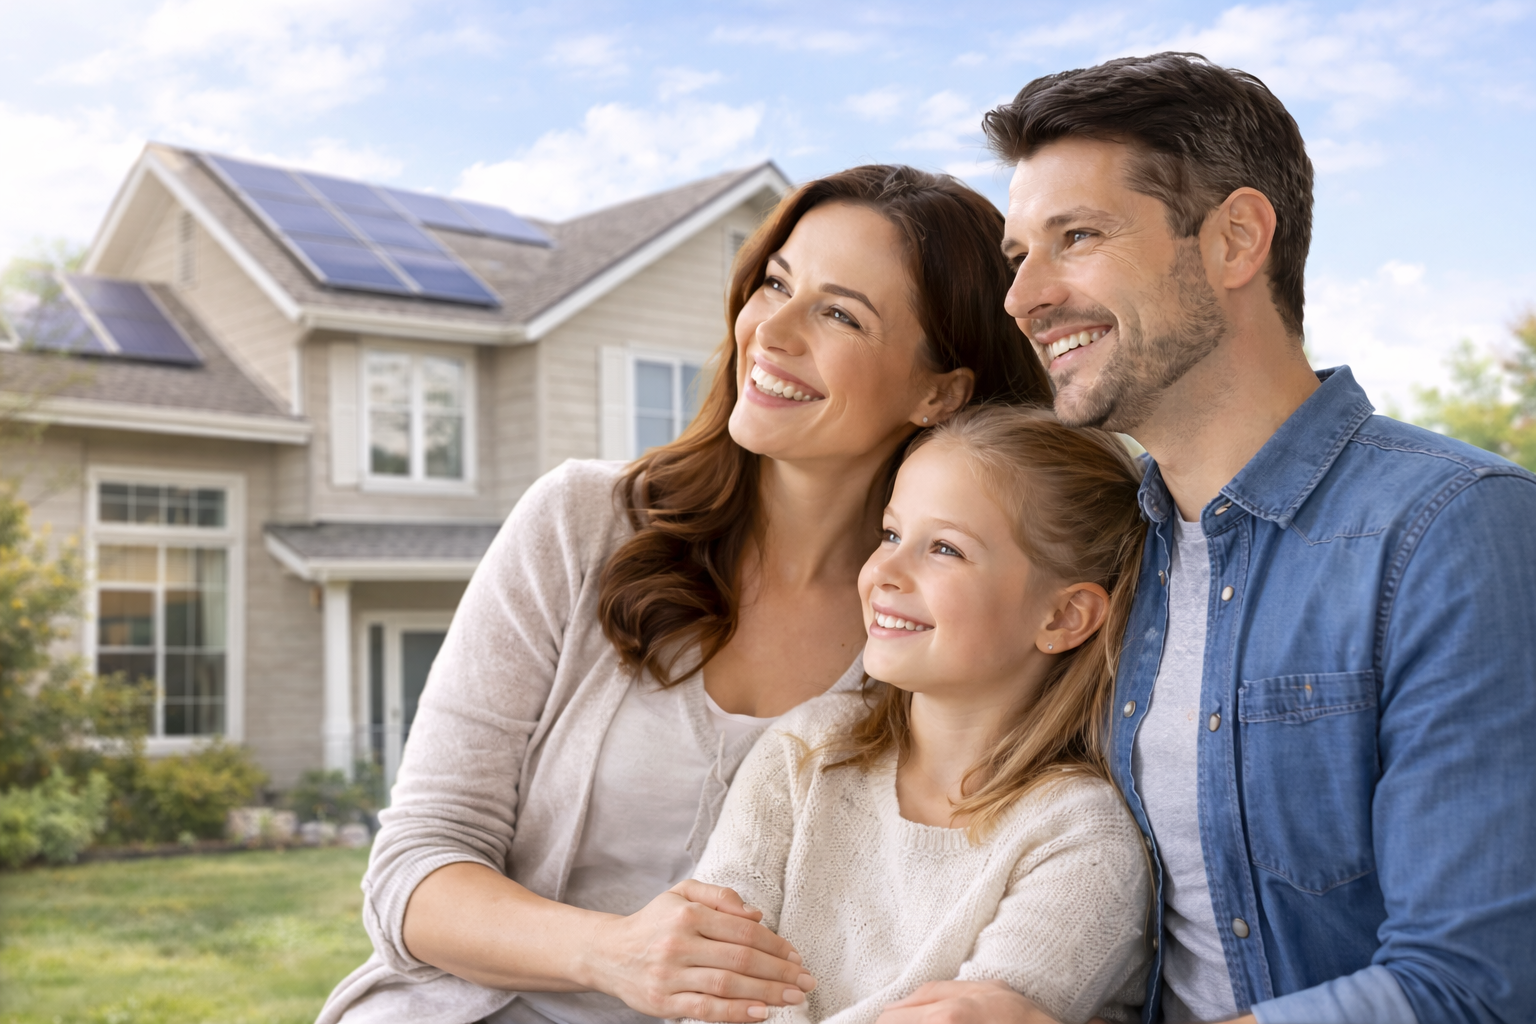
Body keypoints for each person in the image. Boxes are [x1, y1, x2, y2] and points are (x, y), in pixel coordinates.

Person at [881, 51, 1536, 1024]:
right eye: (1022, 255)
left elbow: (1472, 985)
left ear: (1236, 240)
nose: (1024, 299)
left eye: (1078, 236)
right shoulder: (1114, 559)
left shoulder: (1451, 530)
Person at [317, 164, 1053, 1024]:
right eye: (774, 283)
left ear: (942, 390)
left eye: (839, 312)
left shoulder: (947, 630)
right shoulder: (581, 523)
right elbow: (415, 866)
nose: (771, 330)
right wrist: (611, 953)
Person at [687, 406, 1154, 1024]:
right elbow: (710, 991)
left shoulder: (1082, 840)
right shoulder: (805, 750)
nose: (884, 571)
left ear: (1063, 617)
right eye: (889, 535)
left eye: (944, 549)